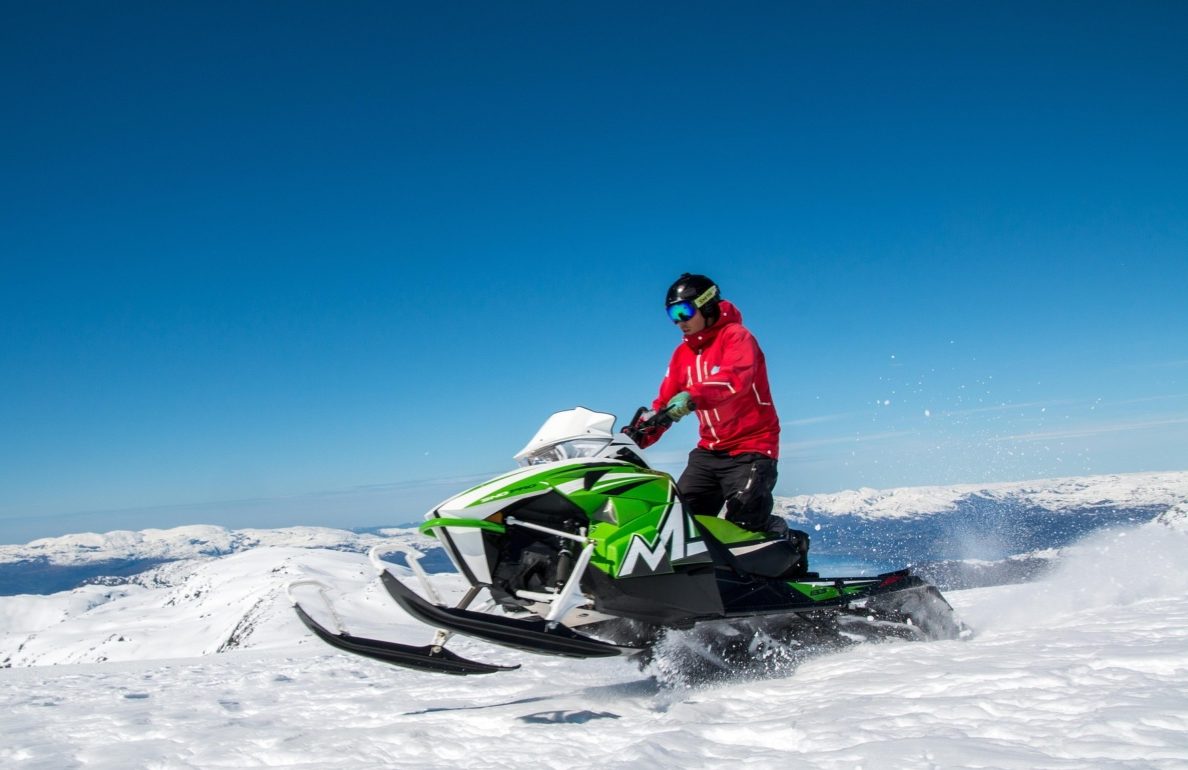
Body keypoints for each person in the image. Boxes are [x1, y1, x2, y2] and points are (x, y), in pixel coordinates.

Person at [632, 273, 788, 537]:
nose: (679, 322)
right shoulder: (683, 354)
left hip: (751, 448)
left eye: (684, 311)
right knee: (678, 526)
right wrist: (638, 436)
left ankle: (783, 538)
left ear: (706, 305)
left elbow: (734, 378)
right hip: (709, 453)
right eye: (672, 315)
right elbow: (664, 403)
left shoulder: (736, 337)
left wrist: (692, 397)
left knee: (745, 525)